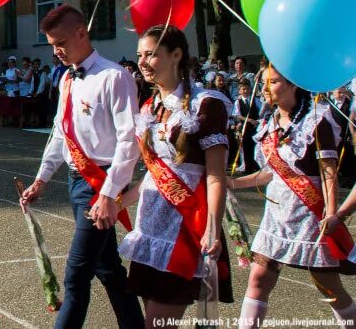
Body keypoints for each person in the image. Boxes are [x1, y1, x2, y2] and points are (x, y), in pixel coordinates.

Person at [21, 5, 144, 329]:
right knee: (108, 270)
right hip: (77, 182)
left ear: (81, 33)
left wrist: (108, 195)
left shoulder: (115, 77)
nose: (56, 51)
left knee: (76, 275)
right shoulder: (66, 79)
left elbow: (129, 141)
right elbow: (61, 134)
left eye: (60, 42)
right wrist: (41, 179)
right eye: (51, 44)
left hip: (100, 184)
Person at [118, 25, 233, 326]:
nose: (142, 62)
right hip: (150, 227)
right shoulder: (149, 107)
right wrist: (115, 203)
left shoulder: (206, 104)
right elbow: (153, 176)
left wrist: (213, 228)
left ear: (176, 55)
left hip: (185, 228)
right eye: (140, 54)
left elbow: (216, 176)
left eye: (151, 54)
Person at [228, 64, 356, 327]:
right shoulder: (268, 123)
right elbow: (269, 173)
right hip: (276, 215)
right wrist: (232, 183)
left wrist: (332, 214)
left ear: (293, 85)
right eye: (263, 83)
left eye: (273, 82)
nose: (265, 90)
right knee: (259, 278)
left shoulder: (316, 122)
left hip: (309, 216)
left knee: (329, 288)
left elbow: (327, 172)